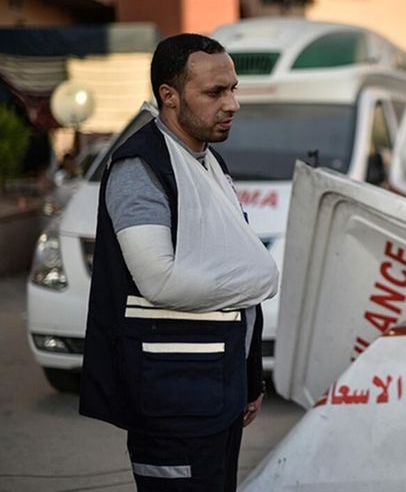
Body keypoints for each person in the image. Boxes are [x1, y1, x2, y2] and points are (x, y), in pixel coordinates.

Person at [79, 33, 279, 491]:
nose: (232, 104)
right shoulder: (141, 168)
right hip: (172, 398)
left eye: (233, 89)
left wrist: (249, 379)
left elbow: (228, 273)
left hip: (217, 390)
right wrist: (262, 279)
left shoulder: (210, 165)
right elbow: (160, 280)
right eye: (214, 92)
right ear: (169, 96)